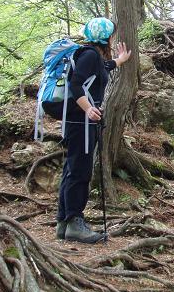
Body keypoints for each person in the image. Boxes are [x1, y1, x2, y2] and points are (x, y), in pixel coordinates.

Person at [56, 17, 131, 243]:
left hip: (77, 122)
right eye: (110, 35)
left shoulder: (90, 56)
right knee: (80, 171)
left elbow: (102, 69)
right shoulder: (89, 55)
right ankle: (75, 222)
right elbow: (76, 84)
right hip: (82, 123)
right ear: (104, 37)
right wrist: (89, 109)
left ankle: (64, 223)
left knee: (72, 168)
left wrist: (119, 60)